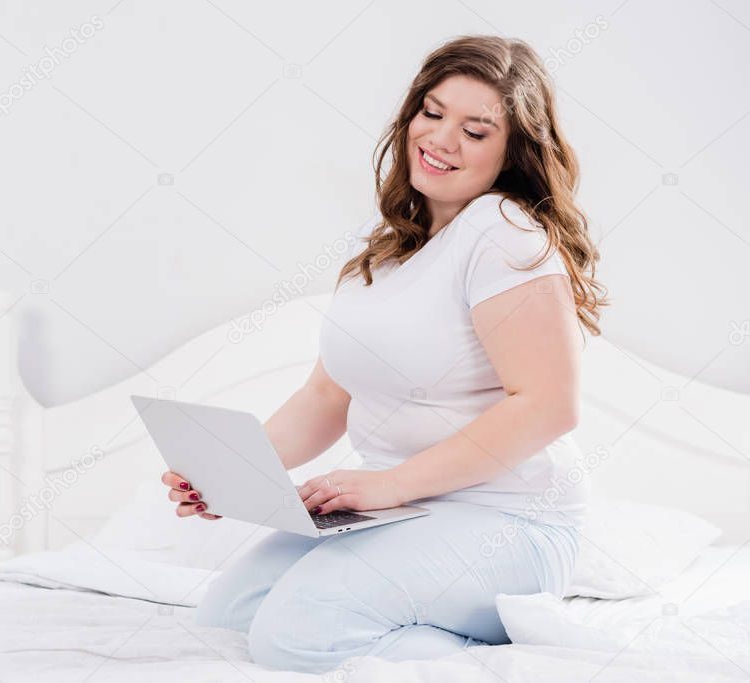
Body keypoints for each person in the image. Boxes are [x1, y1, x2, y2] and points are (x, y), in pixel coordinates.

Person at [160, 34, 608, 674]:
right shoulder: (385, 252)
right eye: (433, 112)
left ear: (513, 152)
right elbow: (327, 396)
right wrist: (230, 471)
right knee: (232, 617)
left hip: (510, 521)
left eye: (477, 131)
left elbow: (547, 407)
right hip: (403, 516)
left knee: (295, 634)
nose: (443, 140)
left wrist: (386, 485)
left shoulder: (502, 229)